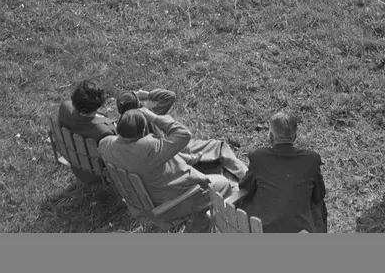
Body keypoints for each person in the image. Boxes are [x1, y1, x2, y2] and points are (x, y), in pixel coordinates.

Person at [98, 108, 238, 225]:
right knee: (223, 184)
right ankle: (204, 227)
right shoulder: (149, 149)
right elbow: (183, 134)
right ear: (142, 131)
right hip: (170, 204)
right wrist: (154, 117)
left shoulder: (104, 145)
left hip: (141, 204)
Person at [113, 90, 248, 181]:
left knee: (215, 156)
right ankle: (247, 177)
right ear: (139, 106)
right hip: (175, 154)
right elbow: (169, 97)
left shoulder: (121, 130)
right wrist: (148, 96)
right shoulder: (148, 119)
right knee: (219, 147)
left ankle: (239, 175)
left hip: (169, 158)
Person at [237, 108, 328, 233]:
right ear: (295, 137)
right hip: (299, 231)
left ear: (270, 136)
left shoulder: (259, 157)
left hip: (262, 229)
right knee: (319, 206)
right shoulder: (311, 160)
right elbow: (319, 195)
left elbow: (245, 186)